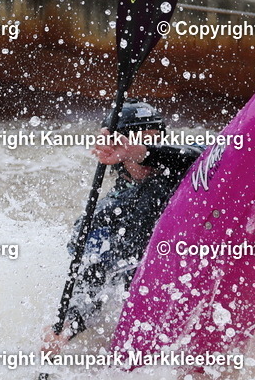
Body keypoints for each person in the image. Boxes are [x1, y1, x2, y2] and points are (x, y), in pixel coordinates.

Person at [44, 101, 203, 350]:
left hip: (194, 279)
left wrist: (142, 152)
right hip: (149, 301)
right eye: (138, 143)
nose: (149, 150)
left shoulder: (184, 172)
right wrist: (68, 328)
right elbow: (92, 280)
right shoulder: (104, 215)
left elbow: (208, 153)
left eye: (154, 142)